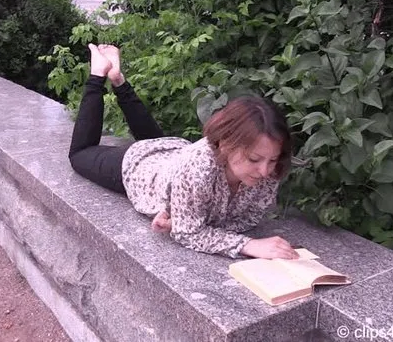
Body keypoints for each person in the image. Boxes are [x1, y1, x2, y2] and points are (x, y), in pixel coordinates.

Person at [68, 44, 299, 260]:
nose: (264, 170)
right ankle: (99, 73)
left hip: (174, 156)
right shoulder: (198, 169)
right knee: (79, 155)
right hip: (145, 171)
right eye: (254, 159)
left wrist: (183, 219)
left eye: (272, 160)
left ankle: (118, 79)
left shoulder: (270, 170)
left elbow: (246, 219)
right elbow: (188, 234)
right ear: (227, 144)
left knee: (157, 143)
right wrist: (248, 245)